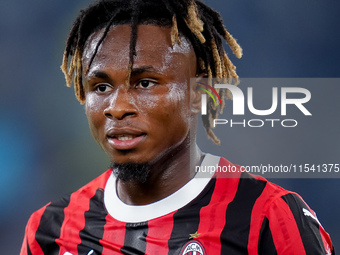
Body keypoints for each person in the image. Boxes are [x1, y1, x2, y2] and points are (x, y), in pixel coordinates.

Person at [21, 0, 334, 254]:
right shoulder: (51, 230)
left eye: (144, 83)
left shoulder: (268, 216)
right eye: (101, 87)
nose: (117, 107)